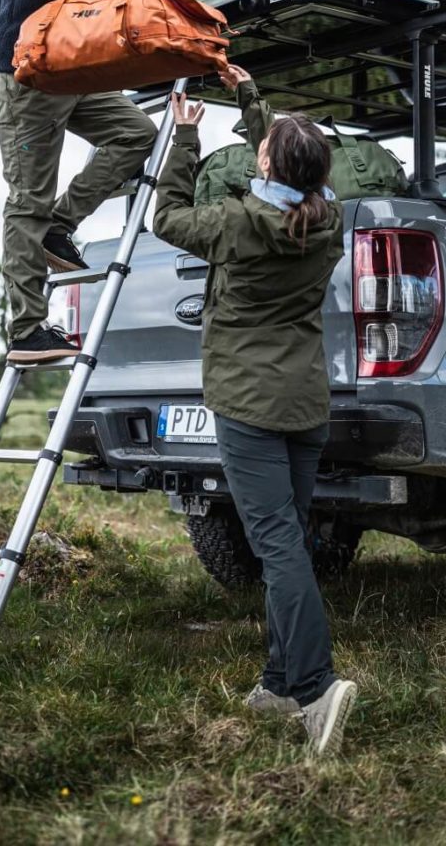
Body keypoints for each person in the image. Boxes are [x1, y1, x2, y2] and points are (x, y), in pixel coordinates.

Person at [152, 65, 357, 757]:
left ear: (267, 166)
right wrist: (249, 99)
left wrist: (183, 138)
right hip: (304, 403)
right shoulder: (328, 220)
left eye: (263, 148)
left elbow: (166, 217)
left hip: (249, 404)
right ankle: (277, 680)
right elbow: (287, 160)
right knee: (290, 537)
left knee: (277, 550)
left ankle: (317, 686)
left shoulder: (238, 223)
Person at [0, 0, 160, 364]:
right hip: (26, 79)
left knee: (137, 135)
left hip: (74, 77)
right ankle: (28, 331)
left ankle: (59, 226)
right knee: (27, 201)